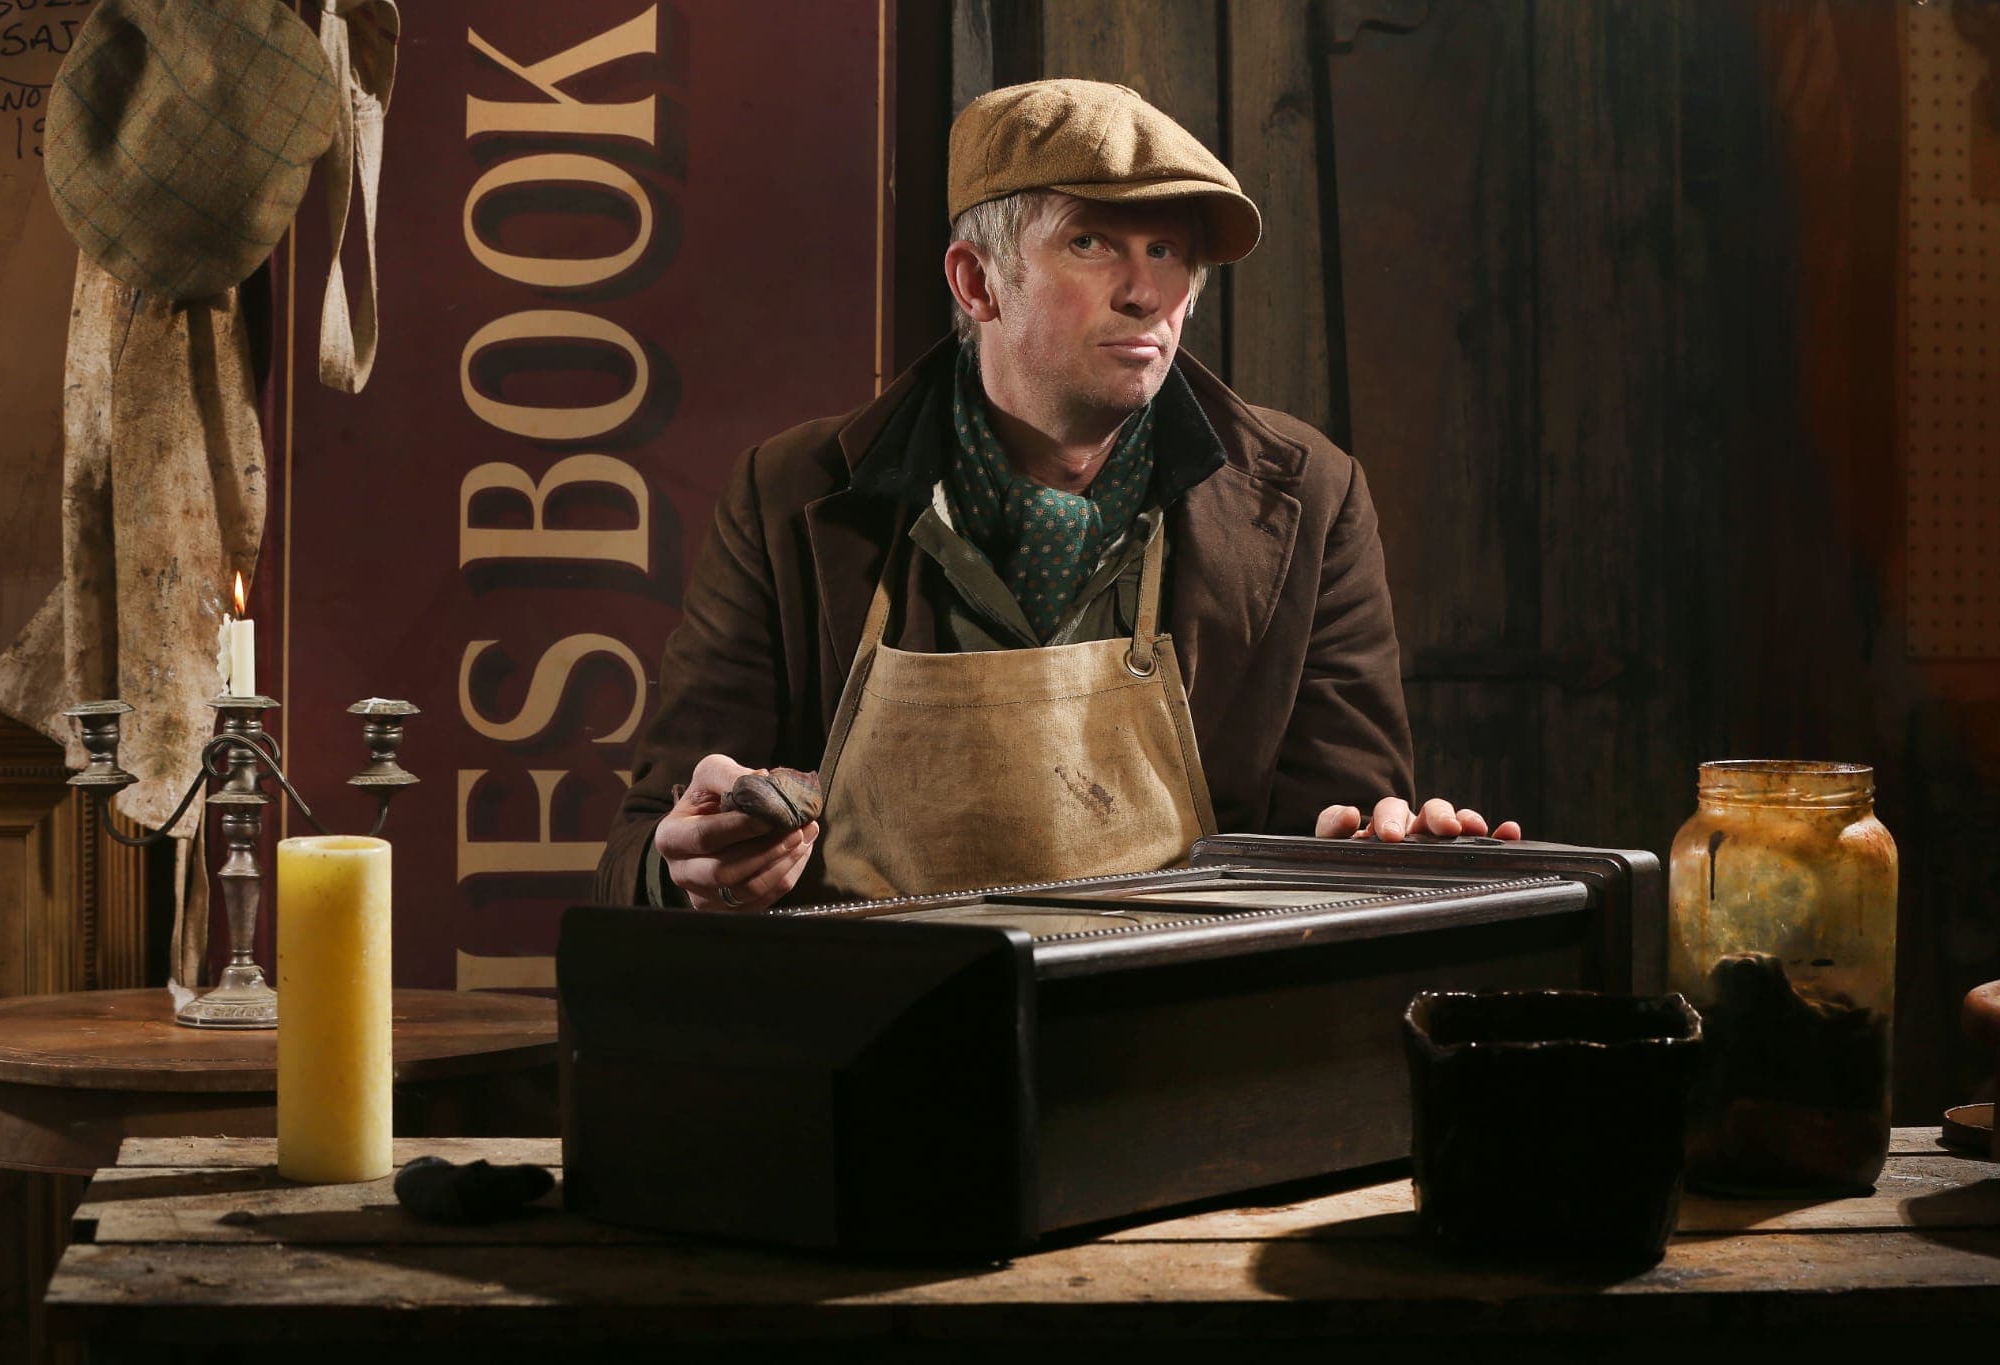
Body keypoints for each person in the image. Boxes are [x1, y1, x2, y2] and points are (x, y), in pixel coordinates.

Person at [595, 79, 1518, 914]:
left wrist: (1357, 858)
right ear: (978, 282)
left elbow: (1347, 820)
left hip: (1183, 1057)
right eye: (1093, 242)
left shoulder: (1307, 502)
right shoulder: (789, 501)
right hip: (870, 1055)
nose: (1147, 291)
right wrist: (692, 868)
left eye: (1168, 250)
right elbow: (642, 851)